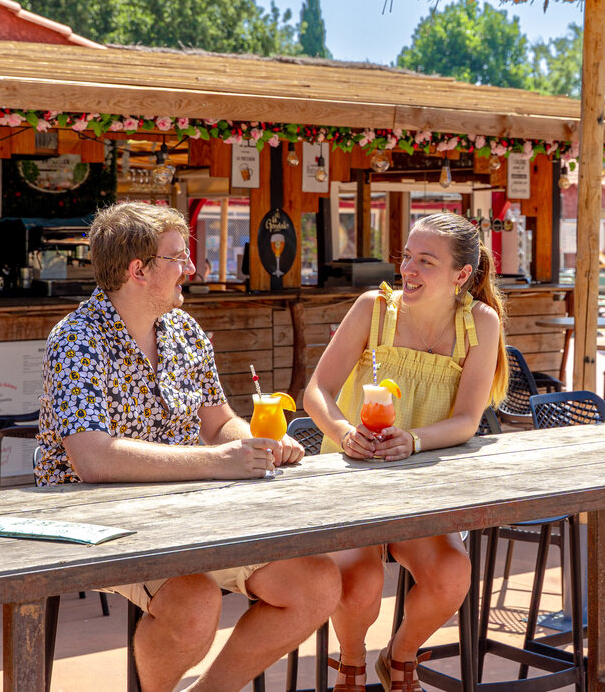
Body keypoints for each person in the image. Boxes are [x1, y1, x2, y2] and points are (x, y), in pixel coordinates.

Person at [35, 201, 340, 692]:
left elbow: (219, 424)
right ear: (138, 270)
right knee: (194, 602)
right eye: (178, 257)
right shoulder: (76, 340)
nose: (192, 269)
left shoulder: (185, 331)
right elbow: (92, 458)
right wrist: (218, 461)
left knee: (317, 583)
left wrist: (258, 442)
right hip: (97, 520)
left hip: (184, 514)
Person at [302, 212, 508, 692]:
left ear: (461, 275)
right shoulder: (373, 309)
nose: (408, 270)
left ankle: (400, 655)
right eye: (407, 257)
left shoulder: (480, 322)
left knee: (452, 574)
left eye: (426, 262)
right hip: (353, 483)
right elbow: (317, 391)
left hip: (422, 492)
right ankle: (352, 664)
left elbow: (467, 420)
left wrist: (413, 440)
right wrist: (344, 432)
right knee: (361, 583)